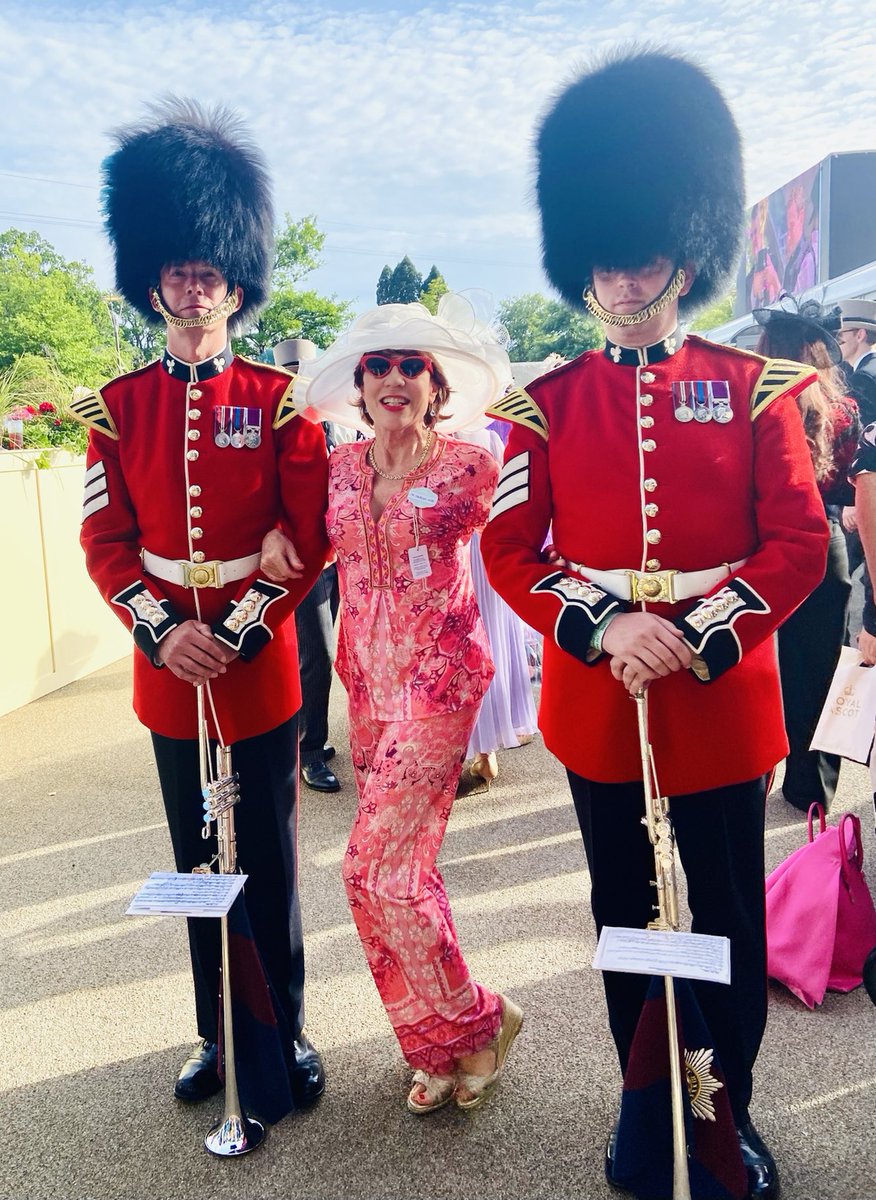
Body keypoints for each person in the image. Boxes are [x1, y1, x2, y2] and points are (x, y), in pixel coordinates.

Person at [480, 50, 828, 1200]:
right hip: (601, 702)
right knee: (625, 912)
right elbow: (511, 548)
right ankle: (646, 1101)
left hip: (720, 702)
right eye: (605, 261)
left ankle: (724, 1109)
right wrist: (604, 627)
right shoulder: (546, 401)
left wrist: (699, 632)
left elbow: (796, 544)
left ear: (683, 254)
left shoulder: (758, 387)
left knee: (723, 917)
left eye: (642, 258)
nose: (623, 280)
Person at [71, 101, 329, 1110]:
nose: (193, 286)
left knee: (266, 858)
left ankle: (287, 1034)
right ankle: (218, 1037)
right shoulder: (116, 406)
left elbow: (305, 539)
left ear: (235, 282)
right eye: (177, 270)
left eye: (209, 271)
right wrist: (160, 629)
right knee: (195, 860)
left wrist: (233, 625)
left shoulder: (278, 399)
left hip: (255, 667)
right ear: (155, 280)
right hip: (168, 672)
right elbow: (104, 540)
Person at [262, 298, 524, 1114]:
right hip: (367, 686)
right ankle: (439, 1048)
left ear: (436, 383)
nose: (394, 379)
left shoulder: (473, 463)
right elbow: (301, 535)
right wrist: (276, 536)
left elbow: (537, 529)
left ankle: (481, 1018)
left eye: (412, 365)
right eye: (379, 367)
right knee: (406, 870)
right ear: (361, 384)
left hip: (441, 681)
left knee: (368, 869)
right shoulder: (341, 468)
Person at [753, 297, 860, 813]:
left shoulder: (753, 404)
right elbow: (844, 484)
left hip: (757, 539)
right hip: (823, 541)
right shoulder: (843, 408)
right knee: (818, 666)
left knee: (749, 660)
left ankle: (750, 771)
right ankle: (812, 785)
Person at [273, 337, 342, 793]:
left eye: (306, 366)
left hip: (346, 556)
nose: (300, 373)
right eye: (291, 367)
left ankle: (313, 735)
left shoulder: (343, 416)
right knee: (316, 655)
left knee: (339, 654)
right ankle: (309, 750)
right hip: (306, 560)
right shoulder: (277, 420)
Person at [457, 422, 539, 787]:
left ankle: (459, 748)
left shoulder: (424, 443)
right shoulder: (487, 438)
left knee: (458, 649)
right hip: (485, 549)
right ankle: (485, 751)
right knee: (489, 642)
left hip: (450, 556)